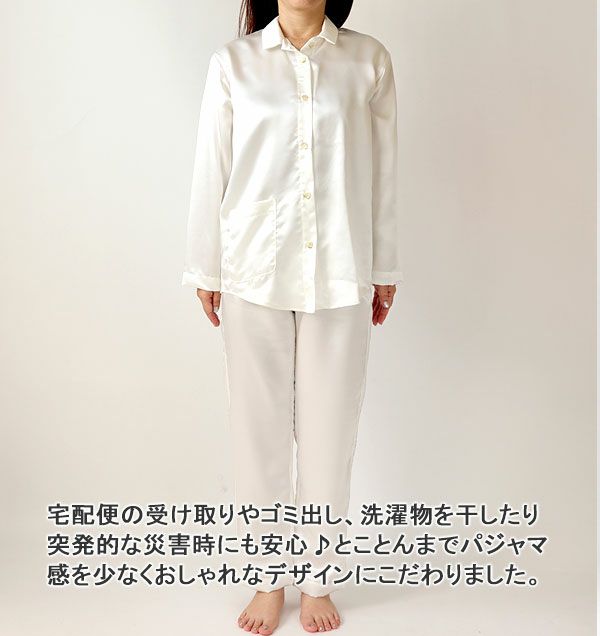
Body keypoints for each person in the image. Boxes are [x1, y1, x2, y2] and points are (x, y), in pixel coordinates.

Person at [182, 0, 403, 633]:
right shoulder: (234, 63)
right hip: (253, 268)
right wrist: (205, 267)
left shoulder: (367, 61)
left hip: (341, 269)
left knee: (331, 432)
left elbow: (384, 168)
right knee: (258, 433)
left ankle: (318, 579)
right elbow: (212, 165)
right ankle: (265, 576)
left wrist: (384, 264)